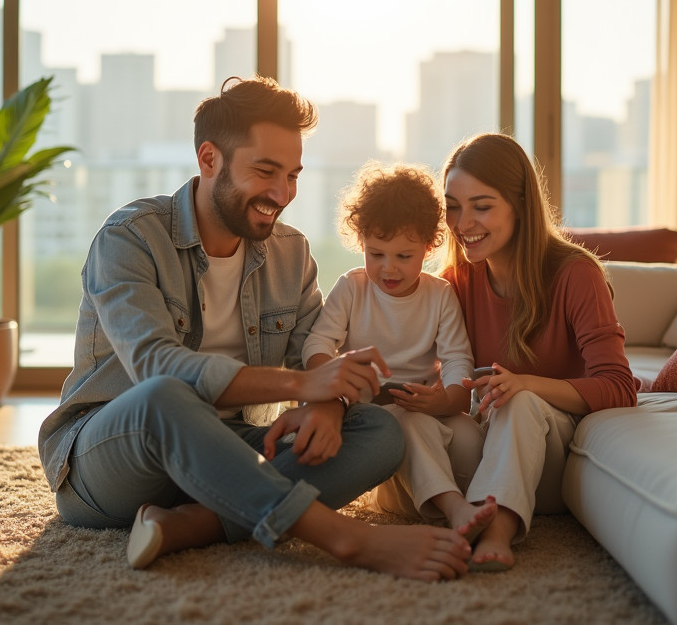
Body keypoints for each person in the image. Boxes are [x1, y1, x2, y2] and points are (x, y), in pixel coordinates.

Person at [37, 76, 472, 581]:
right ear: (209, 160)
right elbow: (157, 365)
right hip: (116, 458)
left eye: (292, 175)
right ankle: (346, 539)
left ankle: (190, 525)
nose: (281, 193)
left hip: (231, 448)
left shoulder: (290, 252)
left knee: (380, 430)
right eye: (265, 171)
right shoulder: (130, 238)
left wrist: (328, 403)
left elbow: (316, 354)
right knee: (165, 395)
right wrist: (301, 386)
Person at [440, 133, 638, 572]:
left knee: (521, 400)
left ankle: (496, 530)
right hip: (490, 436)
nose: (463, 222)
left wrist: (526, 383)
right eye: (453, 205)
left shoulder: (575, 274)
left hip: (551, 447)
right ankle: (465, 511)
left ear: (521, 206)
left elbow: (620, 387)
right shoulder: (457, 280)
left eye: (482, 206)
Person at [302, 163, 494, 541]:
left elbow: (457, 361)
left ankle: (433, 495)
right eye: (376, 254)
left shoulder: (440, 295)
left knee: (472, 442)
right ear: (361, 243)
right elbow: (317, 344)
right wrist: (335, 378)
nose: (388, 268)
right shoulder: (352, 288)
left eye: (404, 257)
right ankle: (454, 508)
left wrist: (444, 401)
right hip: (370, 419)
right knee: (405, 424)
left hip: (427, 409)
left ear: (429, 245)